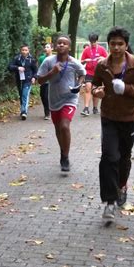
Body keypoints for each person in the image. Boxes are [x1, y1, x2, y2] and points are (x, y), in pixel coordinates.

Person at [91, 26, 134, 219]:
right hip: (108, 117)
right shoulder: (102, 65)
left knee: (124, 157)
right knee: (109, 156)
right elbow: (95, 84)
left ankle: (122, 185)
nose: (116, 48)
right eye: (112, 44)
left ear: (126, 45)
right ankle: (109, 201)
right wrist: (96, 92)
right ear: (108, 45)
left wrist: (126, 88)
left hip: (129, 118)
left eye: (120, 44)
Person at [37, 35, 86, 172]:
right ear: (55, 46)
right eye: (59, 43)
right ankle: (62, 151)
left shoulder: (74, 62)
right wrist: (52, 72)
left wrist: (79, 84)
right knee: (58, 129)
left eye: (64, 43)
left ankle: (65, 156)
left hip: (70, 99)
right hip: (54, 100)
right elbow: (40, 80)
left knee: (65, 126)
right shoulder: (48, 61)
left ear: (69, 47)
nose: (61, 45)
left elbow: (83, 73)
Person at [80, 33, 108, 116]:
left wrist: (103, 59)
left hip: (98, 73)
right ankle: (86, 108)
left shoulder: (102, 49)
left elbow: (108, 60)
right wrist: (85, 60)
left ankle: (95, 108)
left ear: (97, 41)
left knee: (95, 90)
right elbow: (81, 61)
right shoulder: (86, 50)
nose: (92, 43)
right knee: (88, 88)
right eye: (91, 42)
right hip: (89, 72)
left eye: (94, 42)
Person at [8, 44, 38, 120]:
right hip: (19, 80)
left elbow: (35, 70)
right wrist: (18, 67)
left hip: (28, 80)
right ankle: (23, 109)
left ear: (28, 51)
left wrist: (34, 77)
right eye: (23, 50)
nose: (24, 52)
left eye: (26, 50)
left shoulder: (32, 59)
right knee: (21, 95)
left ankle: (24, 112)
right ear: (20, 51)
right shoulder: (17, 58)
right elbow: (10, 66)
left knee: (25, 95)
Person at [38, 43, 53, 120]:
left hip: (51, 81)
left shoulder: (54, 58)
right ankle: (46, 111)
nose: (46, 48)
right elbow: (39, 69)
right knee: (42, 96)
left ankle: (48, 113)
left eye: (48, 47)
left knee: (47, 96)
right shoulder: (41, 58)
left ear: (52, 49)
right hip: (43, 80)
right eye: (45, 47)